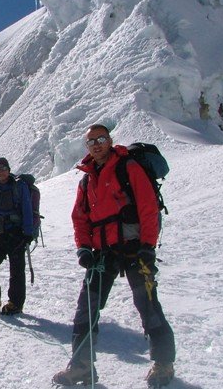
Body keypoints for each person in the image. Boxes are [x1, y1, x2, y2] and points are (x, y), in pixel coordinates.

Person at [52, 125, 176, 387]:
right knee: (86, 308)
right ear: (87, 147)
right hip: (103, 253)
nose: (96, 145)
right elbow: (80, 218)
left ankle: (164, 363)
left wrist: (147, 245)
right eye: (91, 142)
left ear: (109, 140)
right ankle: (82, 366)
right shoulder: (86, 180)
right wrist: (84, 247)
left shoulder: (128, 167)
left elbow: (148, 206)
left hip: (134, 248)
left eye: (101, 139)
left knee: (148, 304)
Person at [0, 157, 35, 315]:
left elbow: (27, 208)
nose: (0, 172)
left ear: (9, 169)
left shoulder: (20, 186)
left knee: (16, 270)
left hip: (17, 233)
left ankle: (15, 303)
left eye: (3, 168)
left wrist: (28, 232)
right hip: (0, 232)